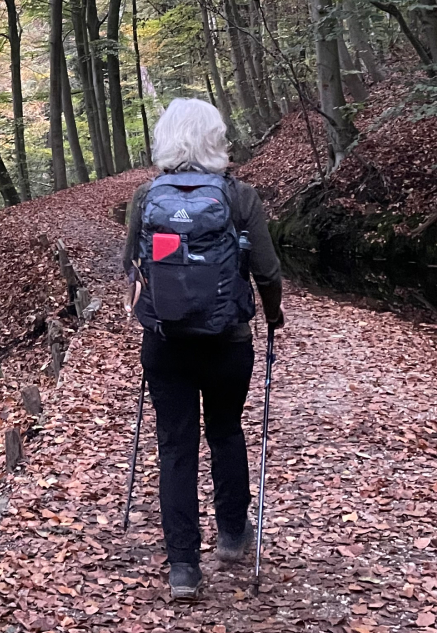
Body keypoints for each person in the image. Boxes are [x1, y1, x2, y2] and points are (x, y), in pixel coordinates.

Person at [122, 98, 283, 601]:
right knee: (226, 431)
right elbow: (268, 271)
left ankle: (184, 569)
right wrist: (273, 316)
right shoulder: (240, 196)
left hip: (165, 341)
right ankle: (233, 538)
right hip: (227, 341)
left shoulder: (146, 196)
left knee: (175, 446)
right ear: (216, 138)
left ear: (165, 139)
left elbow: (130, 266)